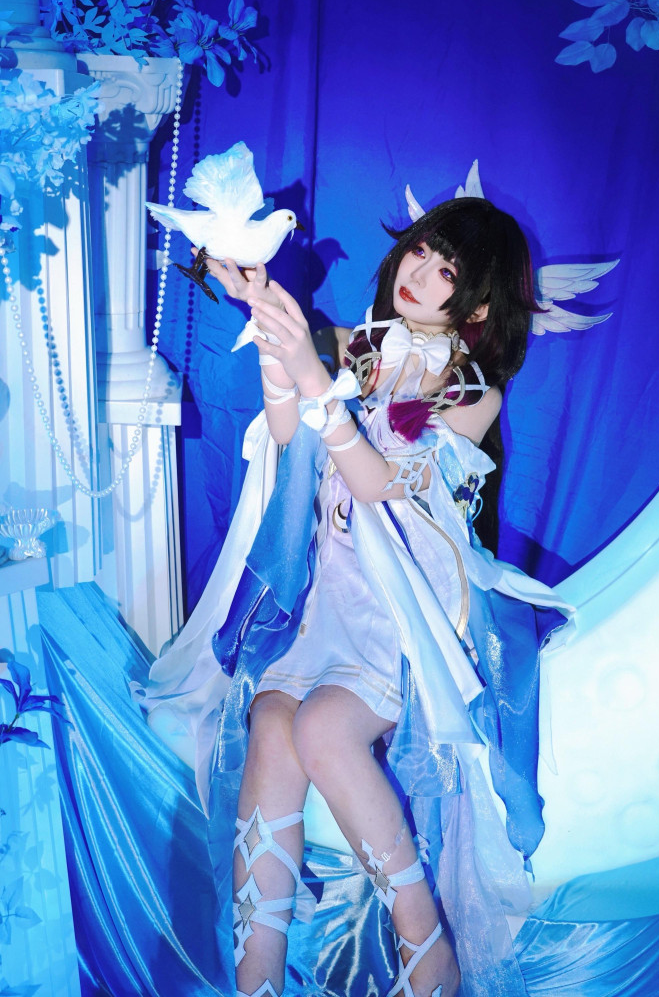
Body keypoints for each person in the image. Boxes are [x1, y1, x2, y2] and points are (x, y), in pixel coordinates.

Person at [145, 197, 571, 997]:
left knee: (322, 726)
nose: (420, 271)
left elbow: (376, 482)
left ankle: (425, 942)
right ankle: (256, 978)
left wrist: (318, 382)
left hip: (399, 611)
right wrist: (269, 323)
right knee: (271, 724)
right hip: (325, 595)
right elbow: (286, 432)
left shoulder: (471, 394)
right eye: (421, 250)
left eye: (447, 269)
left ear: (479, 306)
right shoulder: (356, 347)